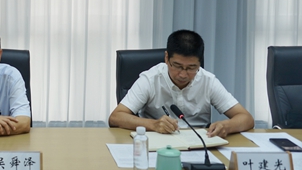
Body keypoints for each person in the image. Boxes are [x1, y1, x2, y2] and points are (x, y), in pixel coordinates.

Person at [108, 29, 254, 138]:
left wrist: (226, 126)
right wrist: (153, 125)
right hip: (159, 142)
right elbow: (116, 117)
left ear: (199, 63)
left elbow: (246, 118)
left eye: (191, 68)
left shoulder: (208, 81)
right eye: (177, 66)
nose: (183, 74)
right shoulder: (151, 79)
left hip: (200, 144)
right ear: (166, 58)